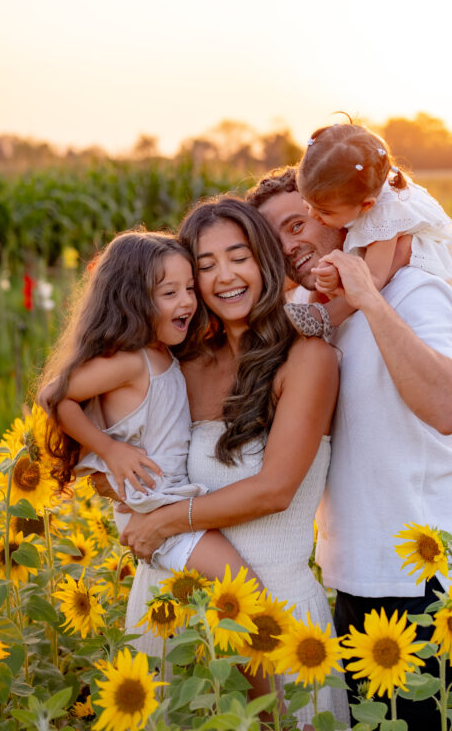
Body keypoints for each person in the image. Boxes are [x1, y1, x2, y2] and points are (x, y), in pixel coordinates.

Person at [247, 169, 452, 729]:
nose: (288, 246)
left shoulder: (416, 291)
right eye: (272, 239)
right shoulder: (311, 313)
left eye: (296, 225)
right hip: (353, 576)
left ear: (338, 217)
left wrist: (370, 299)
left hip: (435, 583)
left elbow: (448, 407)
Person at [118, 198, 350, 728]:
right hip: (172, 610)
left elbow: (275, 490)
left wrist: (166, 521)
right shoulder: (181, 363)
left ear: (265, 260)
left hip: (276, 619)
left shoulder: (308, 358)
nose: (225, 276)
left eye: (238, 257)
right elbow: (120, 446)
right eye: (206, 265)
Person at [38, 228, 260, 585]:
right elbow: (53, 396)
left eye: (190, 288)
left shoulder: (164, 352)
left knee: (226, 600)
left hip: (170, 503)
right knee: (247, 589)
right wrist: (109, 450)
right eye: (170, 293)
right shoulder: (131, 361)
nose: (186, 302)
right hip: (153, 510)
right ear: (132, 300)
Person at [287, 121, 452, 337]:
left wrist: (341, 275)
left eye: (324, 212)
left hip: (430, 246)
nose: (312, 215)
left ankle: (331, 315)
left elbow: (372, 278)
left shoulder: (384, 215)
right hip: (388, 233)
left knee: (401, 249)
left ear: (366, 205)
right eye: (307, 203)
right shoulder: (352, 190)